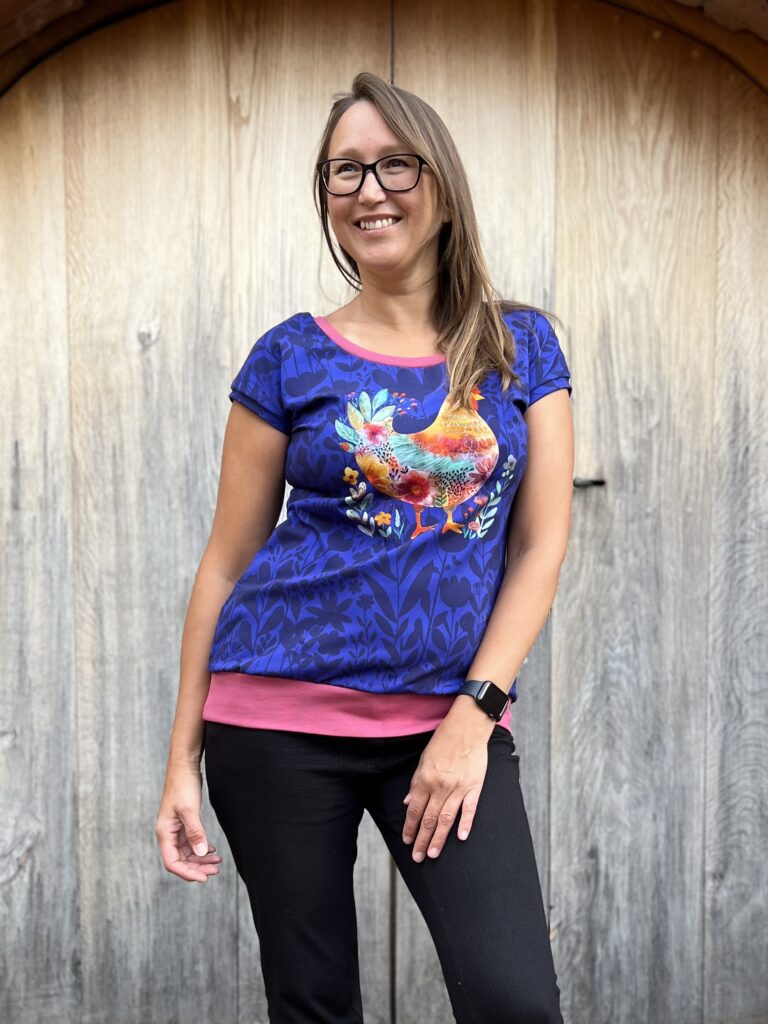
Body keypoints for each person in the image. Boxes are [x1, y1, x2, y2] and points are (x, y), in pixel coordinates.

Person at [155, 71, 573, 1024]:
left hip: (448, 718)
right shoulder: (288, 356)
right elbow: (225, 562)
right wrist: (182, 759)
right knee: (313, 1006)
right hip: (273, 720)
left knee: (514, 1002)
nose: (369, 189)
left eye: (395, 164)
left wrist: (473, 716)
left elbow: (540, 547)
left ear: (442, 188)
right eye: (345, 170)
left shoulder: (520, 348)